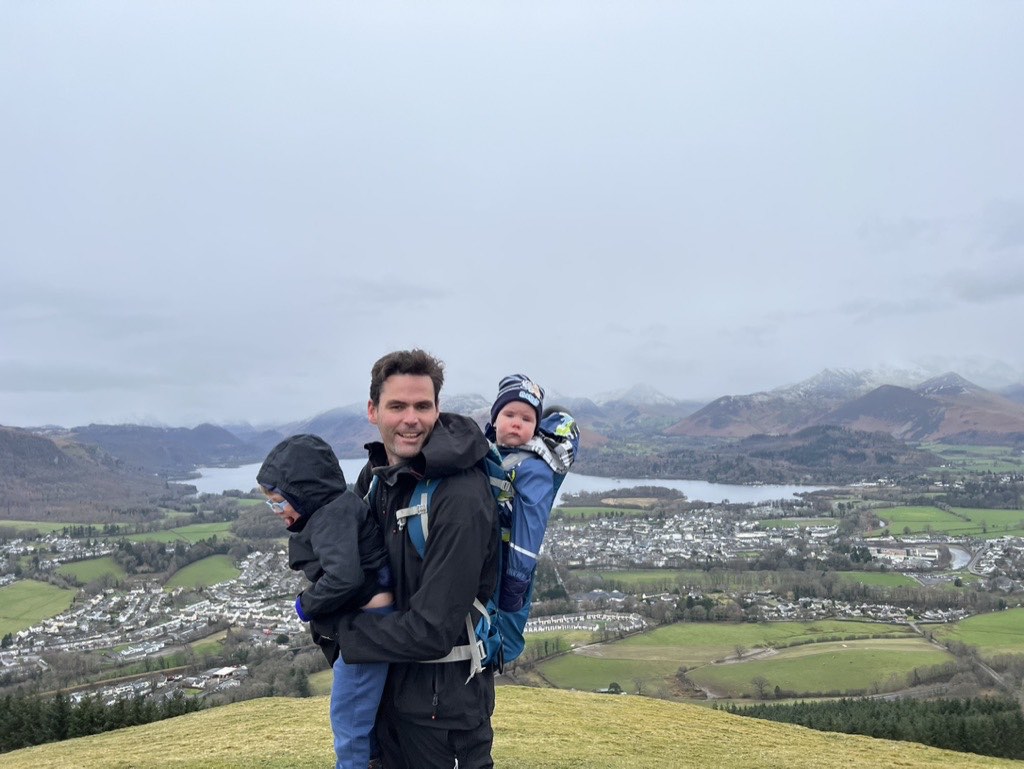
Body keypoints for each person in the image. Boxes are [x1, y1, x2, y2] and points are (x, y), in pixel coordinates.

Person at [335, 349, 500, 769]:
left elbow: (432, 630)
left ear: (437, 409)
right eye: (397, 406)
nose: (412, 419)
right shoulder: (377, 482)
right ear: (373, 411)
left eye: (422, 406)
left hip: (444, 721)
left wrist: (343, 635)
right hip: (388, 704)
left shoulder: (460, 495)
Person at [256, 433, 394, 769]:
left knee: (347, 721)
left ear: (302, 492)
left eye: (277, 502)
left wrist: (306, 603)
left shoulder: (331, 516)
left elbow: (345, 578)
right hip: (367, 628)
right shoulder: (336, 508)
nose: (275, 511)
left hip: (367, 635)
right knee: (359, 719)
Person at [485, 374, 578, 625]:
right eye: (509, 415)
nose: (517, 423)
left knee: (503, 628)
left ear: (535, 428)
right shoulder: (486, 450)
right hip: (483, 551)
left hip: (509, 560)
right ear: (494, 420)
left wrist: (516, 580)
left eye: (526, 419)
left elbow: (530, 527)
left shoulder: (534, 468)